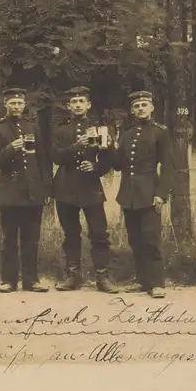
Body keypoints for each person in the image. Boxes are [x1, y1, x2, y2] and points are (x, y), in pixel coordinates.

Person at [51, 86, 118, 293]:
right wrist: (77, 146)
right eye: (74, 102)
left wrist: (96, 167)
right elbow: (56, 157)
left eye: (81, 101)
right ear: (68, 106)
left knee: (99, 233)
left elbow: (108, 161)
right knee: (71, 234)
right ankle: (72, 276)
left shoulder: (100, 128)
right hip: (65, 187)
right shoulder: (60, 130)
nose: (78, 105)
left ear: (88, 105)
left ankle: (103, 277)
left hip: (91, 188)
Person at [0, 88, 53, 293]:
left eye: (20, 103)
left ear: (25, 105)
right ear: (5, 104)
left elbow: (43, 160)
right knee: (9, 239)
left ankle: (31, 280)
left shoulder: (32, 127)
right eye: (12, 103)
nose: (16, 107)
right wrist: (10, 149)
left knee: (31, 238)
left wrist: (46, 189)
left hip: (33, 192)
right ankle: (8, 280)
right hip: (10, 192)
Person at [111, 91, 174, 299]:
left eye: (144, 105)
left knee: (151, 238)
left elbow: (167, 166)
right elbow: (119, 165)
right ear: (132, 110)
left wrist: (161, 194)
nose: (140, 109)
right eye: (137, 106)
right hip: (128, 194)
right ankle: (143, 281)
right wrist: (110, 150)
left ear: (152, 107)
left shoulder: (160, 132)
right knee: (135, 239)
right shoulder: (127, 134)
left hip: (149, 193)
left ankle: (157, 283)